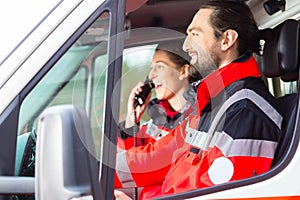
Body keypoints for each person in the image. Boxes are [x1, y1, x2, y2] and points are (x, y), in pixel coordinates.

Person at [115, 1, 282, 199]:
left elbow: (217, 194)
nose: (186, 46)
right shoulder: (211, 104)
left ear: (227, 39)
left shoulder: (245, 110)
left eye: (194, 34)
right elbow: (155, 160)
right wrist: (102, 171)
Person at [115, 39, 201, 198]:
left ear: (183, 71)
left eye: (160, 67)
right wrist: (131, 119)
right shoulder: (154, 124)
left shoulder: (196, 121)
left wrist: (96, 171)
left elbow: (144, 165)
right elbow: (125, 160)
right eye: (151, 68)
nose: (151, 75)